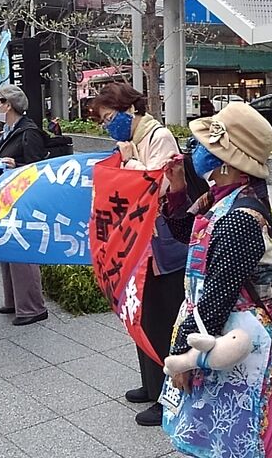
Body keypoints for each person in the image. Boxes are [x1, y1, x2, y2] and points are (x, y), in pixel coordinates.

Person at [159, 102, 272, 457]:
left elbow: (218, 294)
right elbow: (187, 236)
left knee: (235, 437)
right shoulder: (222, 198)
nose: (195, 151)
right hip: (213, 333)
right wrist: (178, 187)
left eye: (203, 146)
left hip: (228, 340)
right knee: (214, 432)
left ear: (226, 159)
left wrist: (182, 355)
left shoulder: (240, 216)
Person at [89, 82, 186, 426]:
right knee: (142, 316)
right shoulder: (134, 140)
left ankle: (168, 397)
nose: (106, 125)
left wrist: (128, 161)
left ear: (129, 109)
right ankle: (150, 384)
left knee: (162, 322)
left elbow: (154, 186)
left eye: (109, 117)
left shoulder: (157, 137)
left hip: (162, 248)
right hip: (139, 246)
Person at [0, 85, 49, 325]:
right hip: (5, 197)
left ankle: (32, 306)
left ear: (8, 105)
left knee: (21, 250)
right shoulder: (6, 132)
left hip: (22, 200)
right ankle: (14, 301)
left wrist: (16, 166)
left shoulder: (28, 133)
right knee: (7, 248)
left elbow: (38, 169)